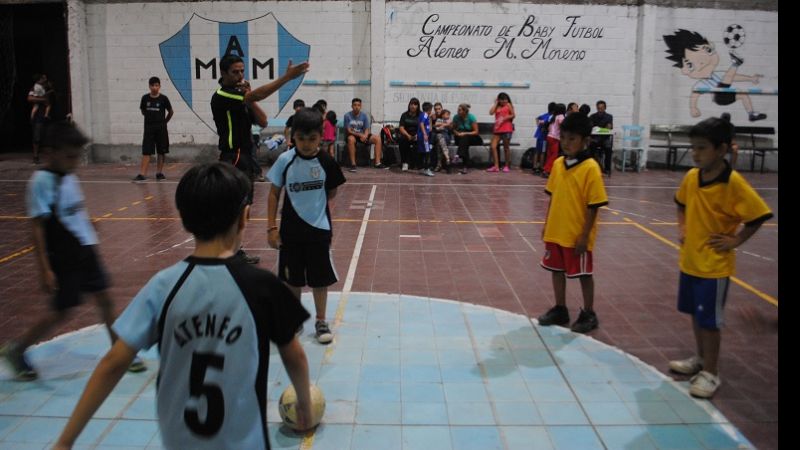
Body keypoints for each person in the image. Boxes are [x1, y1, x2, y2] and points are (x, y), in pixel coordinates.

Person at [53, 162, 313, 449]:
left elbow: (113, 363)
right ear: (244, 217)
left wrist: (66, 441)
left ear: (184, 218)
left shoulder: (163, 286)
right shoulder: (263, 286)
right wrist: (303, 402)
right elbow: (295, 357)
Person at [0, 122, 146, 381]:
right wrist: (44, 268)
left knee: (105, 299)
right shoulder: (41, 182)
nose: (74, 161)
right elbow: (37, 227)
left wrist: (88, 221)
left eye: (77, 156)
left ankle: (120, 350)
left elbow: (73, 207)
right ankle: (18, 349)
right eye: (69, 156)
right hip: (64, 255)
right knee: (62, 310)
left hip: (85, 249)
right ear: (50, 152)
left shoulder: (70, 175)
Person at [669, 117, 772, 398]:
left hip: (714, 268)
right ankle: (701, 359)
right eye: (693, 147)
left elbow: (759, 215)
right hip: (690, 262)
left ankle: (711, 374)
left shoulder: (733, 183)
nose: (695, 153)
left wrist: (736, 239)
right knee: (695, 315)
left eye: (702, 148)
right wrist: (683, 227)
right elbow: (680, 204)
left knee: (710, 322)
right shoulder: (692, 177)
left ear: (722, 149)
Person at [210, 54, 309, 265]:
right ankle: (224, 249)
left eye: (241, 71)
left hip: (247, 155)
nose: (239, 76)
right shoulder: (222, 95)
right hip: (233, 155)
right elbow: (259, 95)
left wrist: (249, 95)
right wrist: (286, 78)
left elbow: (263, 121)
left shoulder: (242, 96)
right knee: (233, 206)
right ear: (224, 73)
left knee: (244, 206)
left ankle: (236, 249)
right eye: (234, 72)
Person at [267, 108, 346, 344]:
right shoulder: (285, 160)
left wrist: (314, 205)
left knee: (320, 279)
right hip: (290, 233)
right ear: (293, 136)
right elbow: (273, 194)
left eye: (312, 139)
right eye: (301, 138)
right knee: (292, 280)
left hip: (319, 231)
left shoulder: (327, 162)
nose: (306, 144)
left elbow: (332, 191)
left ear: (321, 137)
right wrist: (271, 228)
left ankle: (321, 321)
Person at [536, 113, 608, 334]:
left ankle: (589, 313)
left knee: (584, 274)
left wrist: (585, 235)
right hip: (556, 230)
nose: (566, 143)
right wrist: (547, 224)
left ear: (585, 140)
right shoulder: (558, 164)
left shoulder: (590, 168)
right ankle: (560, 308)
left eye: (572, 139)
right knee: (556, 270)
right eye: (564, 138)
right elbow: (553, 197)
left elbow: (593, 205)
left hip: (576, 234)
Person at [133, 77, 173, 182]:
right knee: (146, 151)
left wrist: (164, 122)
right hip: (149, 128)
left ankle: (159, 173)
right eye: (152, 85)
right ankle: (142, 174)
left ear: (159, 86)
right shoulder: (145, 98)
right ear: (149, 86)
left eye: (156, 85)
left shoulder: (164, 99)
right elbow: (143, 111)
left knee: (161, 151)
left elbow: (171, 111)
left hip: (161, 128)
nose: (154, 87)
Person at [344, 98, 387, 171]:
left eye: (358, 105)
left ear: (361, 106)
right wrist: (360, 135)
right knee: (350, 139)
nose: (356, 107)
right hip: (353, 135)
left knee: (377, 139)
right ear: (352, 106)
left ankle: (377, 163)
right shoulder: (347, 116)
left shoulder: (364, 116)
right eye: (355, 105)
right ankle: (353, 165)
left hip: (363, 135)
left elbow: (366, 128)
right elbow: (349, 131)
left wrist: (365, 136)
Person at [487, 92, 515, 173]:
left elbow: (513, 115)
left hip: (507, 128)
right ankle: (496, 166)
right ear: (499, 100)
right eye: (502, 100)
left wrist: (505, 118)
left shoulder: (508, 105)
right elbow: (491, 112)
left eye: (505, 100)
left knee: (506, 148)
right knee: (493, 146)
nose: (504, 102)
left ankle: (506, 166)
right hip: (497, 129)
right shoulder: (497, 106)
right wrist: (496, 103)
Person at [451, 103, 482, 175]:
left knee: (465, 139)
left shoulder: (471, 117)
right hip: (460, 137)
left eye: (460, 110)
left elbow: (476, 132)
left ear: (465, 111)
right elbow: (453, 129)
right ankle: (463, 165)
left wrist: (465, 133)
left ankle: (459, 156)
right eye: (458, 110)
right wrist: (456, 133)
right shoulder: (456, 117)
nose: (458, 112)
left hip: (473, 137)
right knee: (464, 142)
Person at [28, 74, 50, 164]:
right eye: (43, 78)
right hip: (38, 114)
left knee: (45, 135)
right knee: (37, 135)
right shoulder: (35, 87)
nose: (45, 79)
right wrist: (43, 99)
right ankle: (36, 156)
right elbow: (29, 98)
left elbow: (48, 103)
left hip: (44, 114)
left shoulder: (46, 88)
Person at [589, 100, 614, 175]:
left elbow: (609, 127)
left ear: (605, 108)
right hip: (595, 138)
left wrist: (602, 128)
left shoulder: (609, 116)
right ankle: (593, 167)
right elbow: (591, 127)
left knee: (608, 148)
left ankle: (607, 169)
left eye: (601, 108)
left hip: (605, 138)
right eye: (598, 108)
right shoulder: (592, 116)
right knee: (590, 147)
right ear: (596, 108)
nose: (600, 110)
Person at [397, 98, 421, 172]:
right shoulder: (404, 115)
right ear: (409, 105)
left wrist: (417, 135)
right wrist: (408, 136)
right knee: (402, 140)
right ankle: (405, 162)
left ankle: (418, 164)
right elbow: (401, 128)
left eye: (415, 104)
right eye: (411, 104)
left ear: (418, 106)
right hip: (406, 135)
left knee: (421, 141)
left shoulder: (421, 115)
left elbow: (423, 127)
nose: (413, 106)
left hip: (417, 135)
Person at [532, 102, 555, 175]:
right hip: (543, 137)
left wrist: (538, 125)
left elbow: (537, 118)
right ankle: (541, 167)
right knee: (543, 152)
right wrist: (543, 127)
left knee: (537, 151)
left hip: (539, 136)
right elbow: (545, 123)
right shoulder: (550, 117)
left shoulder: (544, 115)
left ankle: (535, 166)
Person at [417, 102, 434, 177]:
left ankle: (421, 168)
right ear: (429, 109)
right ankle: (427, 169)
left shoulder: (426, 116)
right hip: (424, 137)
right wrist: (424, 134)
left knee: (422, 152)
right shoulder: (424, 115)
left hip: (423, 136)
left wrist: (430, 119)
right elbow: (421, 124)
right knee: (427, 153)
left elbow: (430, 128)